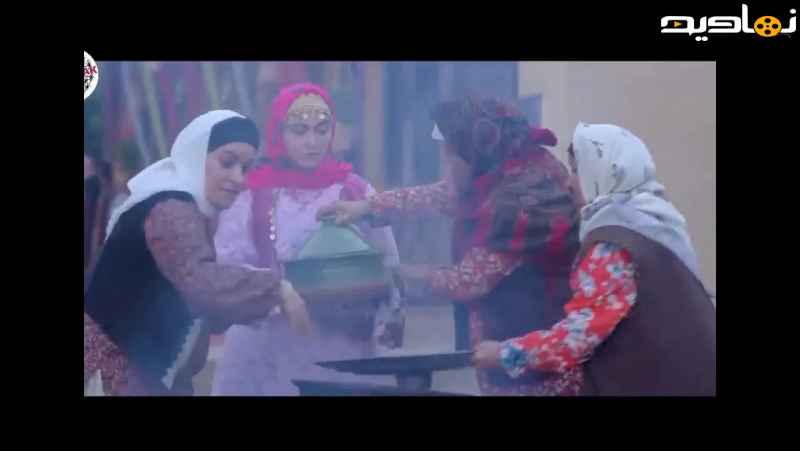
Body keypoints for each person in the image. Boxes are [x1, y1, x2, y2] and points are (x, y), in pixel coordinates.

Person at [318, 97, 582, 395]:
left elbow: (467, 281)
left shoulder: (523, 200)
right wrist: (366, 206)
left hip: (534, 355)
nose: (447, 168)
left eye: (450, 157)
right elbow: (442, 194)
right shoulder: (499, 169)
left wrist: (395, 274)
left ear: (473, 151)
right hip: (513, 348)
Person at [472, 123, 716, 396]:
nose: (568, 183)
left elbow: (576, 339)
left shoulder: (612, 244)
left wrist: (504, 353)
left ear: (603, 171)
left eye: (576, 170)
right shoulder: (654, 219)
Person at [84, 110, 311, 396]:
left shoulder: (187, 207)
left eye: (245, 168)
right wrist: (277, 289)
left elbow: (196, 307)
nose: (238, 178)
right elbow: (201, 284)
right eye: (227, 162)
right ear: (196, 155)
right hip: (115, 372)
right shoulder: (171, 208)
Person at [211, 83, 404, 396]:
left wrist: (386, 313)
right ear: (279, 132)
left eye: (321, 129)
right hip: (266, 346)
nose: (312, 142)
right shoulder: (251, 194)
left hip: (341, 346)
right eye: (299, 131)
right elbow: (226, 265)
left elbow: (388, 263)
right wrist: (277, 292)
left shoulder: (356, 192)